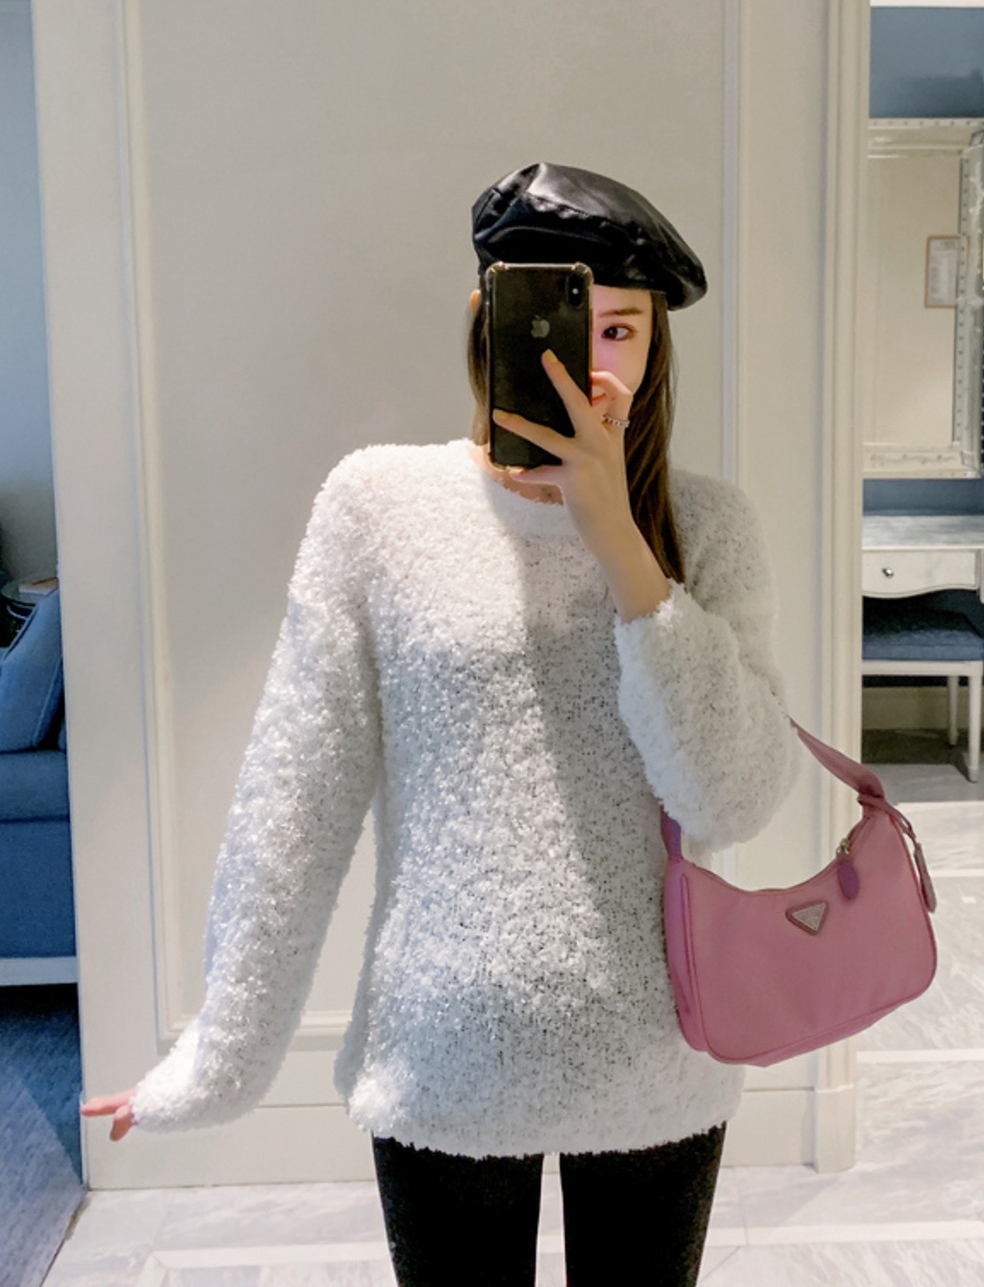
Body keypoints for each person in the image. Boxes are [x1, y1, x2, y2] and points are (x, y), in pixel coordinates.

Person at [82, 162, 800, 1286]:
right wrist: (218, 1059)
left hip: (660, 1057)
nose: (588, 364)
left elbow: (735, 797)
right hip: (444, 1057)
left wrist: (622, 549)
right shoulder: (378, 509)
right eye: (560, 324)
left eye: (621, 330)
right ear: (488, 323)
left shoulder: (704, 526)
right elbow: (295, 798)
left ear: (658, 344)